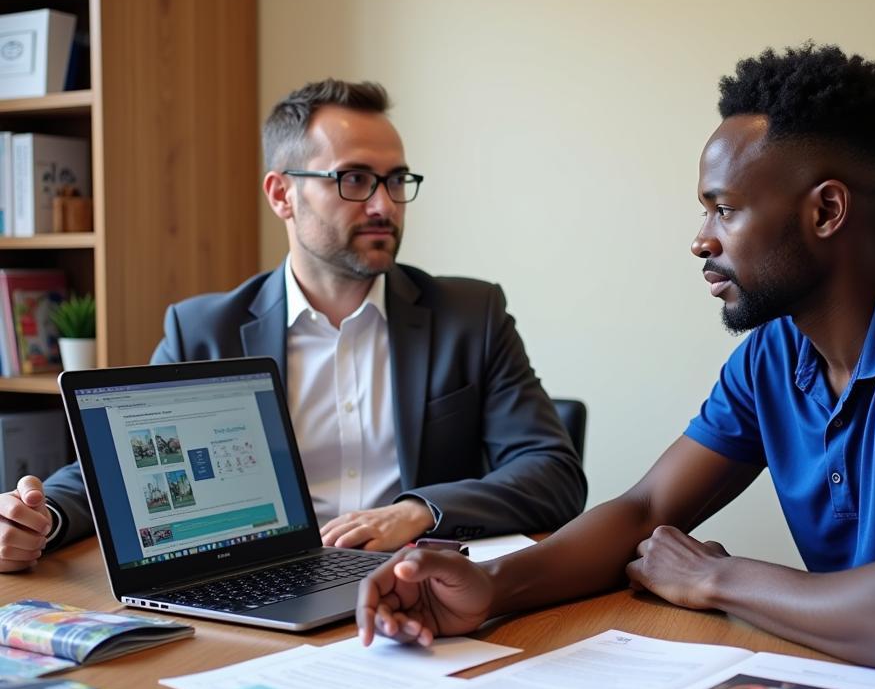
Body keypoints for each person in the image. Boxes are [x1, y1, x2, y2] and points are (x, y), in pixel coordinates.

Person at [356, 45, 875, 689]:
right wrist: (491, 590)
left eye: (724, 208)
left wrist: (719, 580)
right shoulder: (775, 356)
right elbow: (643, 512)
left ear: (826, 210)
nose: (701, 238)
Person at [0, 79, 585, 571]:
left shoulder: (470, 316)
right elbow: (118, 469)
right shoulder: (206, 329)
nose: (384, 205)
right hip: (265, 580)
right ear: (282, 195)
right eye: (353, 180)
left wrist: (419, 511)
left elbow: (553, 473)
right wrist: (40, 517)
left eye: (396, 179)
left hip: (419, 581)